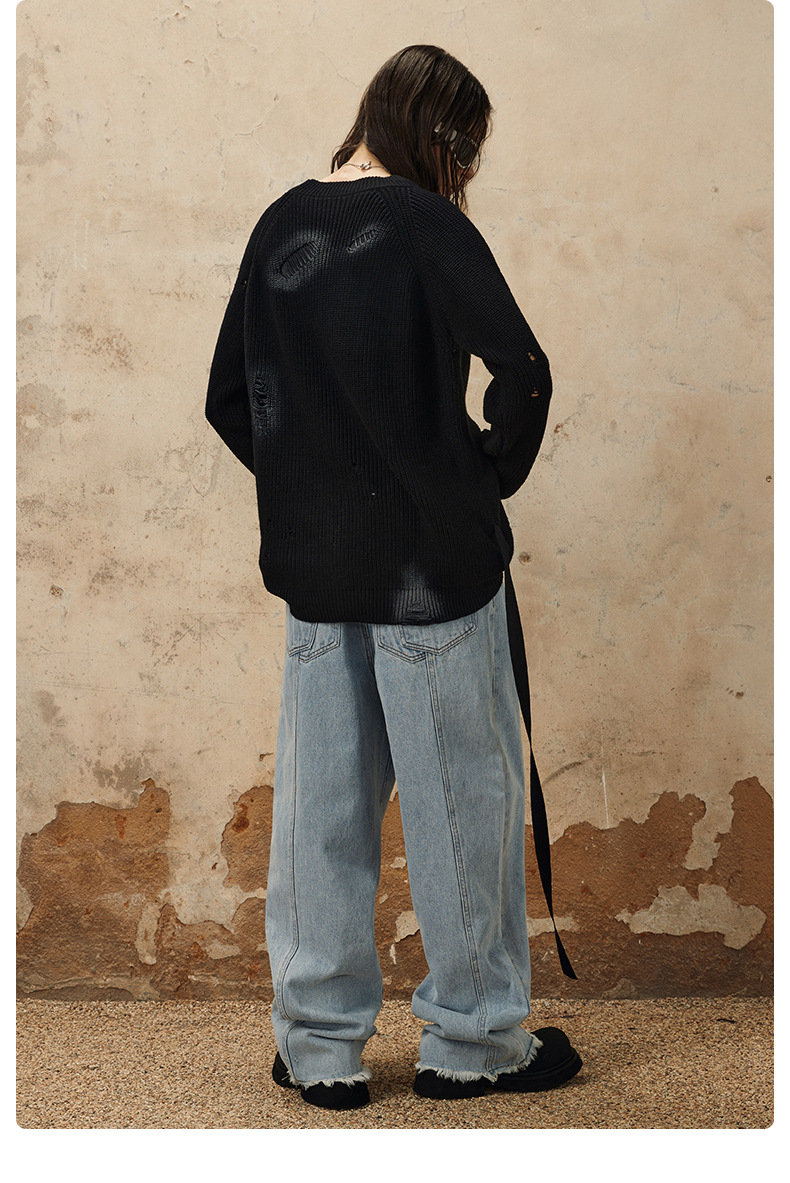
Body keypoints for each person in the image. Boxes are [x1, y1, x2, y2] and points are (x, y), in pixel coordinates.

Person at [206, 44, 582, 1112]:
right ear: (442, 135)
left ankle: (318, 1047)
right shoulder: (426, 227)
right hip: (436, 577)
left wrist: (314, 486)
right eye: (468, 149)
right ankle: (472, 1044)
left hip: (319, 577)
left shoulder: (280, 223)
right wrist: (479, 477)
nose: (466, 170)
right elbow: (524, 372)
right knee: (460, 808)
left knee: (319, 814)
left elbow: (230, 400)